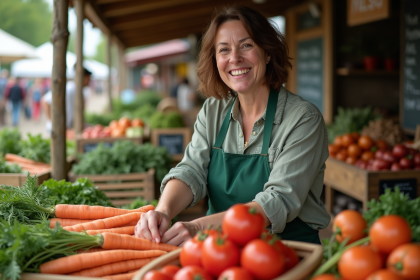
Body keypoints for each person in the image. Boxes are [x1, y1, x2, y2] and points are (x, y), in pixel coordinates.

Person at [136, 6, 330, 246]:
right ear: (215, 59)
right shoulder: (213, 110)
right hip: (219, 250)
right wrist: (164, 210)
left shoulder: (303, 119)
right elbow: (191, 170)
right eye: (224, 50)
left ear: (267, 53)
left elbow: (277, 201)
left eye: (246, 45)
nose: (234, 58)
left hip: (284, 251)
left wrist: (197, 227)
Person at [41, 67, 92, 133]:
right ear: (84, 78)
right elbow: (45, 101)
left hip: (66, 129)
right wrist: (54, 124)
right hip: (57, 130)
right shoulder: (70, 88)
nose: (89, 81)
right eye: (89, 78)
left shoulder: (79, 91)